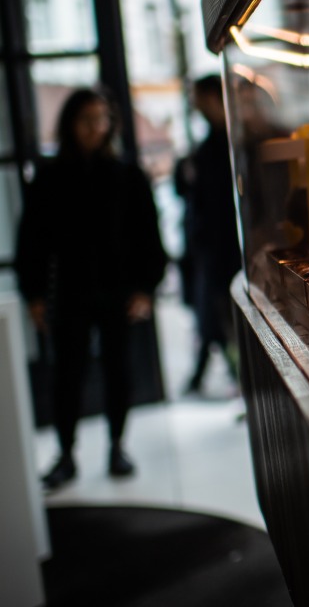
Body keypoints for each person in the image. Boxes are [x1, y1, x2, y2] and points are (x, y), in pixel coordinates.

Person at [16, 87, 167, 489]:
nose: (95, 127)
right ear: (71, 123)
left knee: (119, 370)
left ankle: (117, 445)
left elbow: (148, 238)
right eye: (87, 119)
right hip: (69, 291)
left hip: (118, 290)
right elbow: (31, 241)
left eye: (101, 119)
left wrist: (145, 288)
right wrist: (33, 295)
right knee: (68, 373)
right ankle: (66, 453)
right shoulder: (50, 177)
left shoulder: (126, 175)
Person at [176, 75, 241, 396]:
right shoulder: (207, 148)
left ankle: (240, 381)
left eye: (200, 101)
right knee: (217, 319)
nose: (197, 108)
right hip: (215, 254)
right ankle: (240, 382)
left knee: (224, 319)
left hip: (230, 251)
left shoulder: (231, 143)